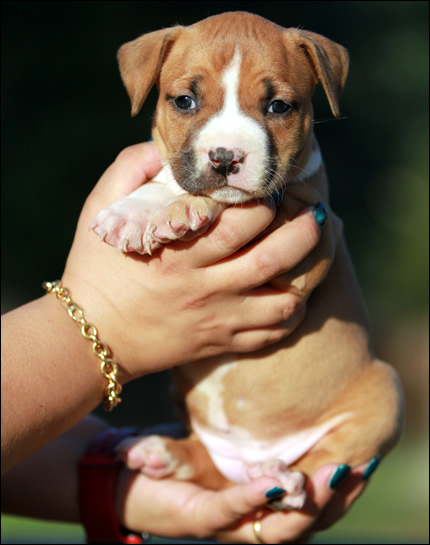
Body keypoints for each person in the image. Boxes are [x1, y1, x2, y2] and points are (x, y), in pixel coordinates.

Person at [1, 142, 371, 543]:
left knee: (381, 400)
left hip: (317, 412)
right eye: (185, 102)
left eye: (278, 106)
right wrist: (100, 321)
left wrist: (111, 479)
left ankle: (204, 458)